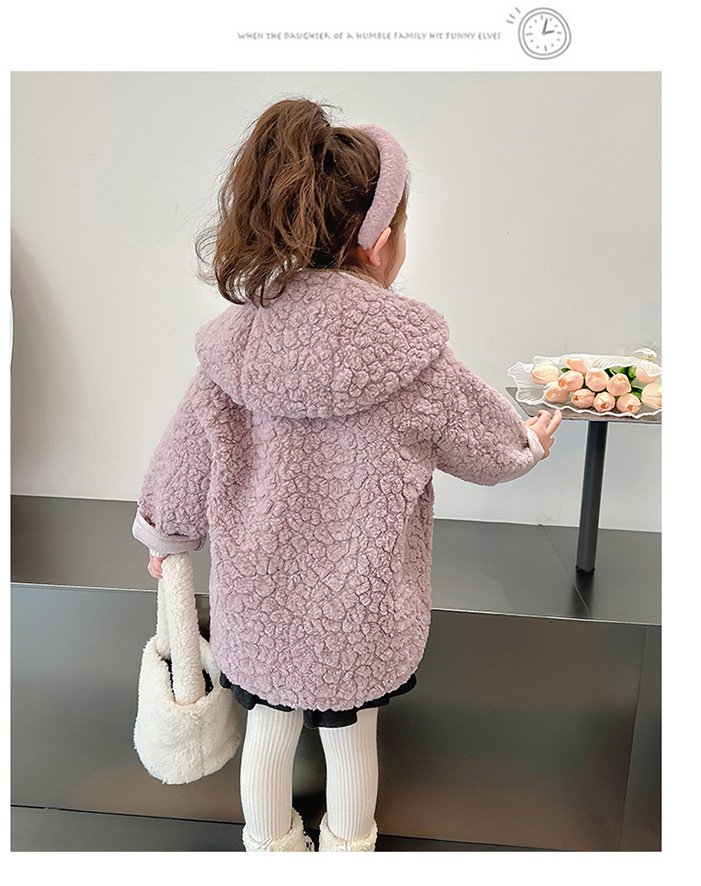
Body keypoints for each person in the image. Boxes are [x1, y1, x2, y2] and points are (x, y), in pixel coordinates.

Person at [132, 97, 562, 852]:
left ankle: (271, 852)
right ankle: (348, 851)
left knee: (268, 730)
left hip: (259, 608)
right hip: (365, 614)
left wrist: (166, 536)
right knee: (353, 737)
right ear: (380, 240)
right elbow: (486, 444)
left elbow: (182, 460)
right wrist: (529, 442)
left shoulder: (236, 349)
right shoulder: (411, 355)